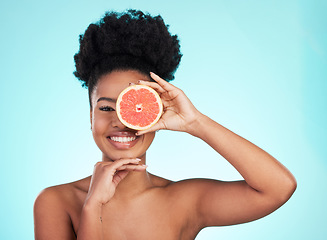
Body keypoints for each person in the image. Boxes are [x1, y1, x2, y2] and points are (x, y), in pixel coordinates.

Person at [33, 9, 297, 240]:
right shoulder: (56, 202)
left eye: (133, 107)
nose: (121, 121)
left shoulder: (184, 201)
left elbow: (278, 188)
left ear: (155, 111)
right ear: (90, 116)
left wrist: (196, 122)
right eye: (105, 108)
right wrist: (92, 206)